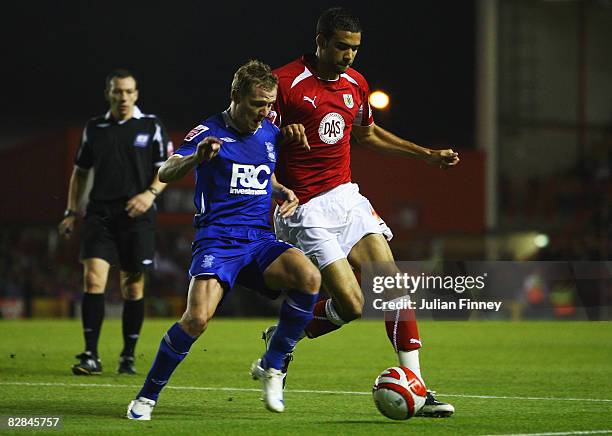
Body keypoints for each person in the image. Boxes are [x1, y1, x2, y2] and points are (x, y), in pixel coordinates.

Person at [267, 7, 460, 417]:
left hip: (345, 196)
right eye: (341, 47)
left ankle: (419, 389)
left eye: (355, 48)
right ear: (320, 42)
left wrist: (424, 155)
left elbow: (367, 133)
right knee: (352, 306)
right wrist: (281, 136)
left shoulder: (356, 83)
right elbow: (254, 140)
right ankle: (283, 339)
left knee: (392, 287)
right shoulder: (284, 83)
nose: (349, 56)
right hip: (303, 207)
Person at [126, 60, 320, 420]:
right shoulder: (207, 132)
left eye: (268, 105)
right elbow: (166, 170)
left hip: (259, 239)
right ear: (235, 97)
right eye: (256, 104)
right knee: (196, 319)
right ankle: (147, 396)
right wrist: (196, 158)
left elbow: (262, 174)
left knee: (309, 277)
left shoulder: (269, 130)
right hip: (218, 241)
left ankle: (272, 364)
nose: (263, 113)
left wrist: (280, 189)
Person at [58, 69, 171, 376]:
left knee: (132, 287)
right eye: (117, 91)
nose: (123, 97)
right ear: (108, 93)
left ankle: (128, 356)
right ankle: (90, 355)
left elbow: (166, 169)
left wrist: (149, 194)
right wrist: (70, 212)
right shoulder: (94, 128)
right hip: (100, 214)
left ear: (136, 94)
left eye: (128, 91)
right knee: (93, 279)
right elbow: (80, 173)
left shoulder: (152, 126)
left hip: (137, 215)